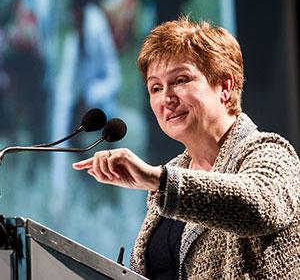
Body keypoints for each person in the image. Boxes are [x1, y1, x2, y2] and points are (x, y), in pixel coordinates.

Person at [72, 17, 300, 279]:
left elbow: (260, 207)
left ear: (224, 86)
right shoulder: (173, 172)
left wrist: (157, 180)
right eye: (155, 87)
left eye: (180, 80)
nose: (166, 98)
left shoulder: (269, 152)